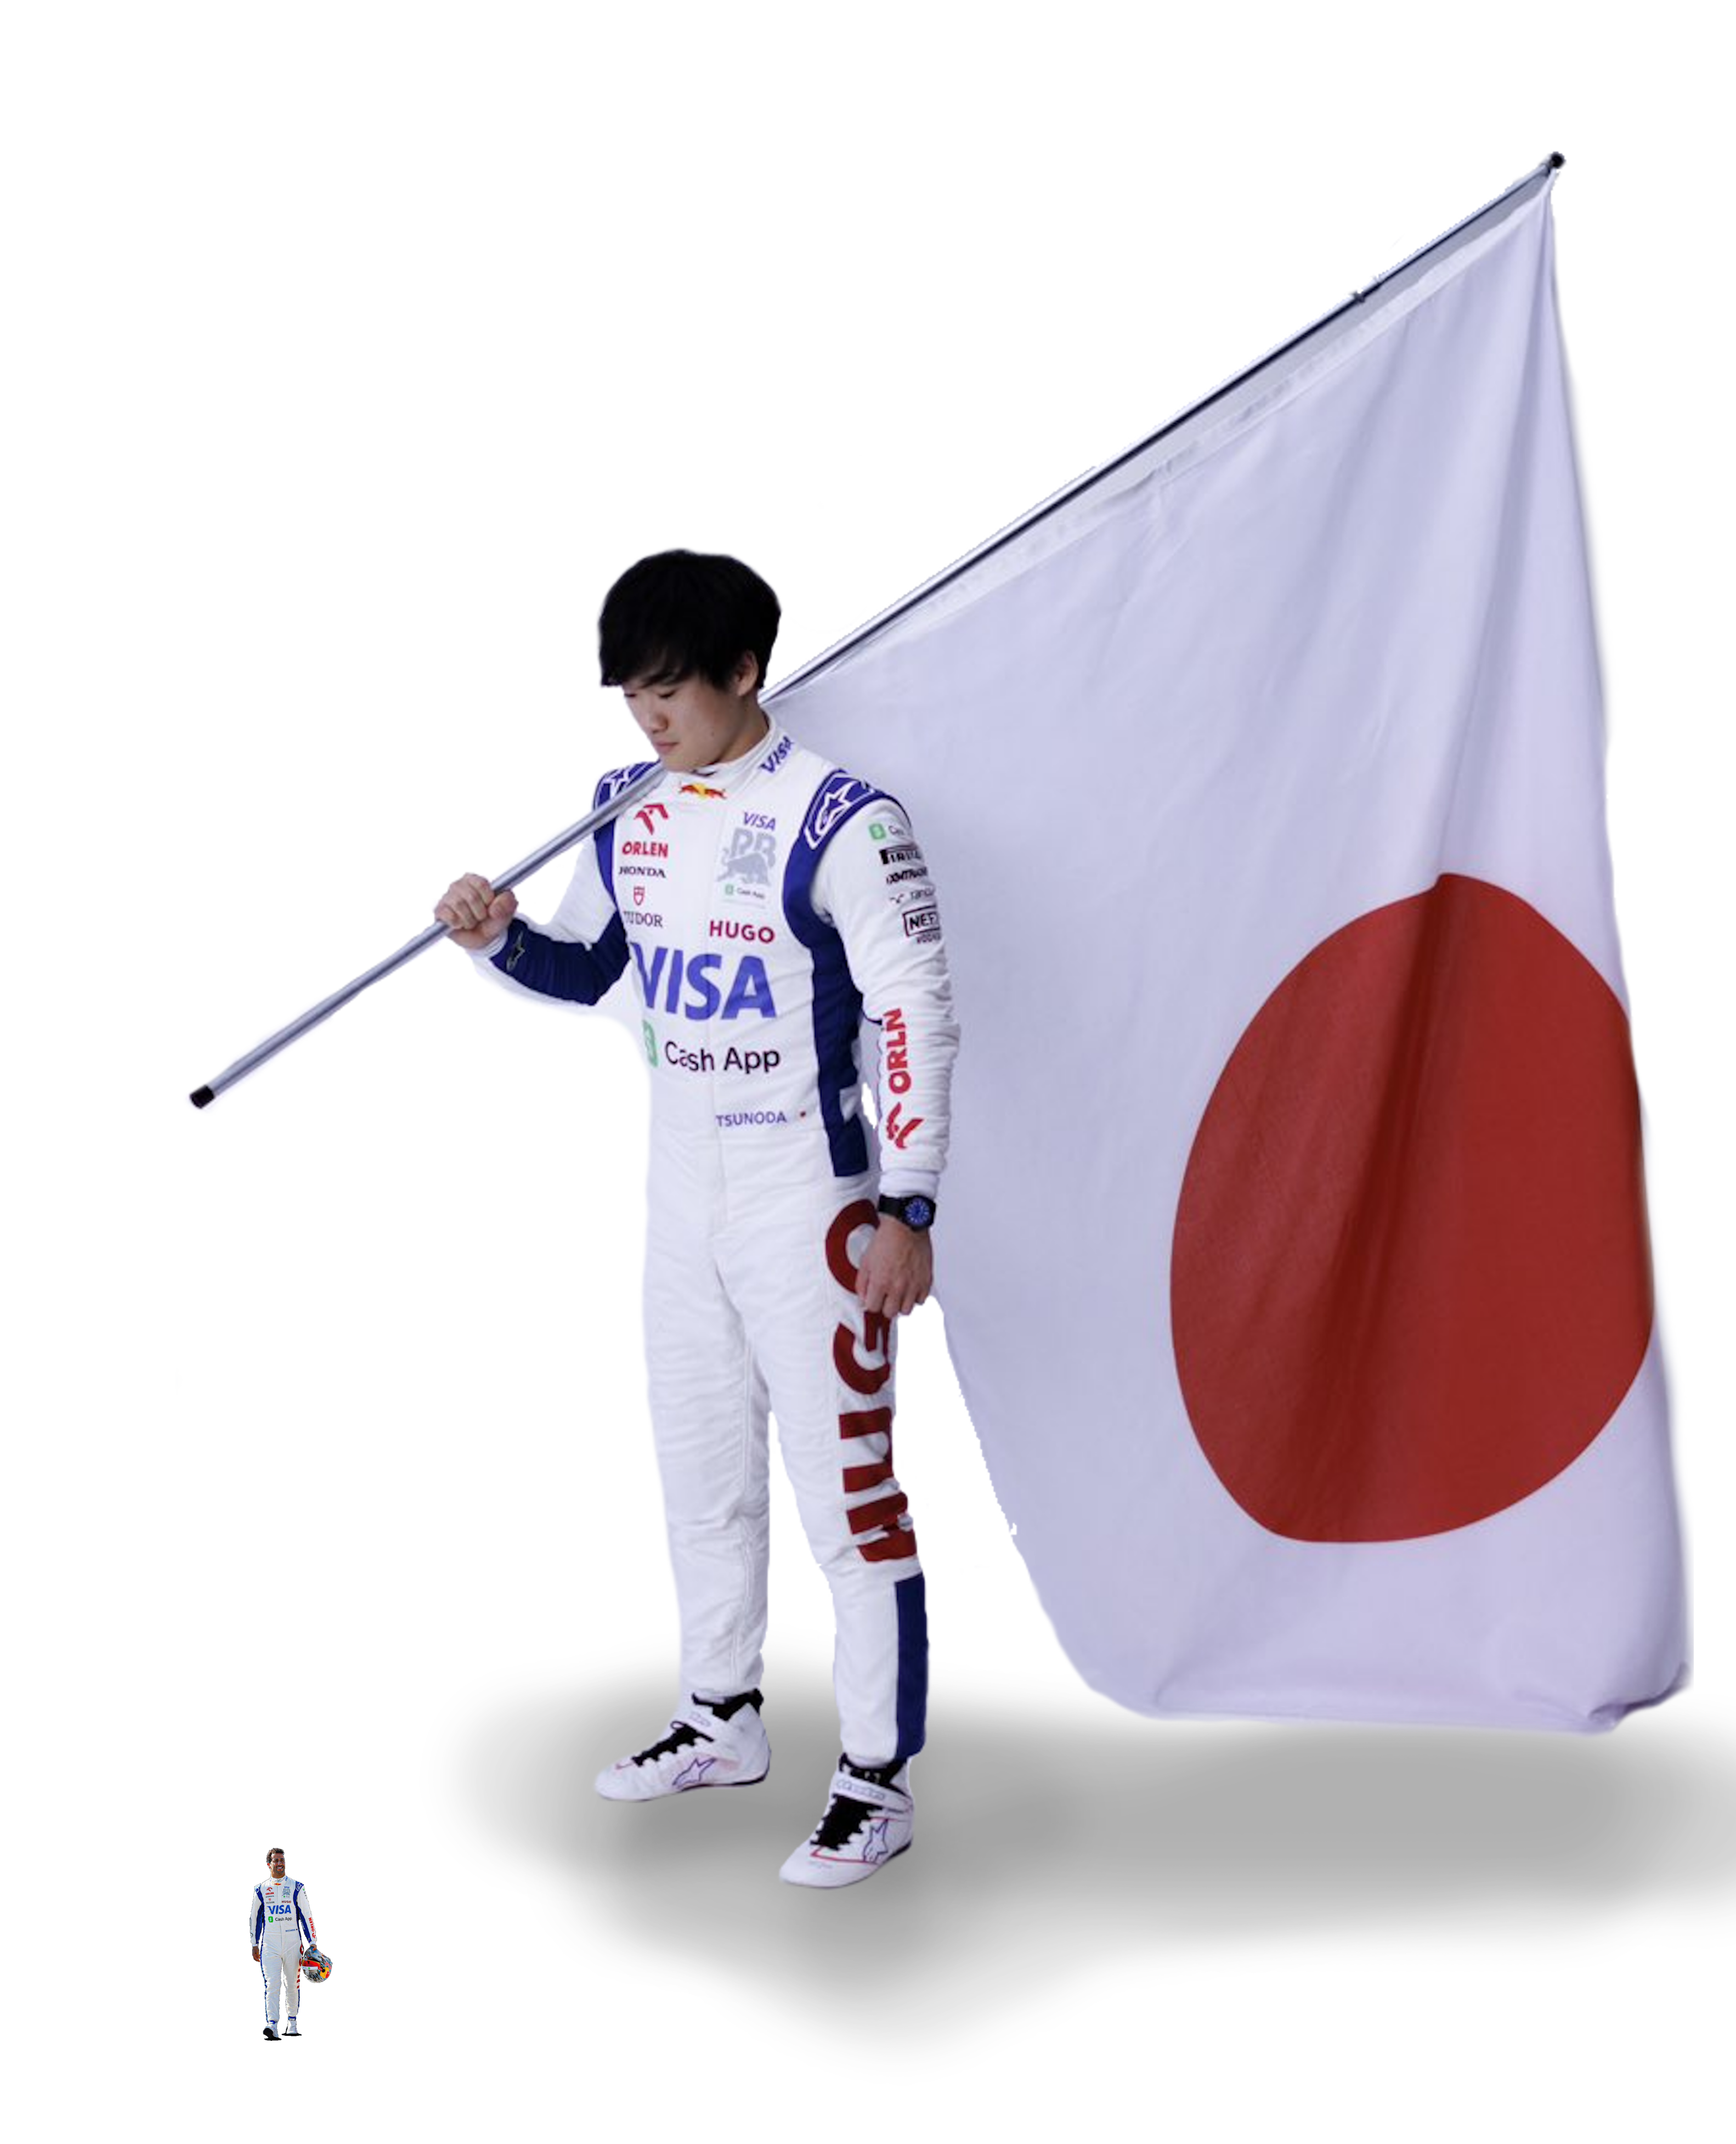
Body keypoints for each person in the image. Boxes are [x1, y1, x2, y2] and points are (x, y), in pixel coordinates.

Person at [433, 547, 960, 1888]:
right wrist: (494, 939)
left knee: (852, 1499)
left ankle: (877, 1778)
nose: (648, 717)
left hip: (809, 1193)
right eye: (628, 693)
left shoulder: (845, 818)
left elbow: (914, 1012)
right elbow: (590, 968)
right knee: (702, 1474)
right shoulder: (624, 806)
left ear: (744, 669)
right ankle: (720, 1716)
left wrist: (908, 1205)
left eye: (669, 688)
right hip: (678, 1182)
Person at [251, 1847, 316, 2034]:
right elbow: (255, 1918)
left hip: (293, 1942)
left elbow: (306, 1915)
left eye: (282, 1860)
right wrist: (254, 1944)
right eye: (276, 1860)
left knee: (292, 1984)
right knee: (272, 1985)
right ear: (269, 1865)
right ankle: (272, 2025)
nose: (280, 1863)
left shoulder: (296, 1887)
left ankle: (292, 2023)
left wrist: (312, 1942)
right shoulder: (261, 1889)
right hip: (270, 1944)